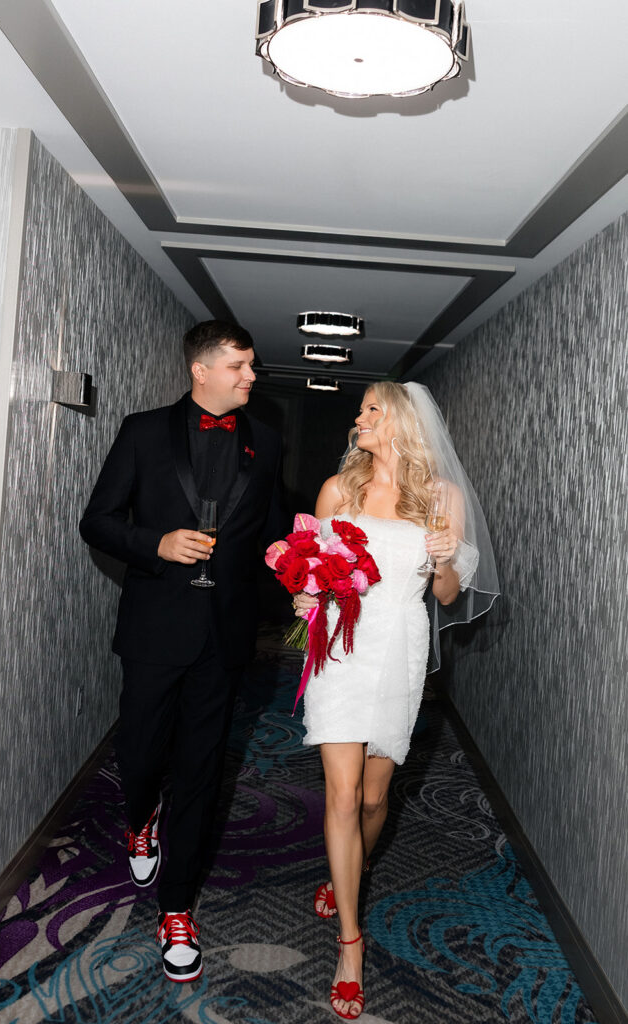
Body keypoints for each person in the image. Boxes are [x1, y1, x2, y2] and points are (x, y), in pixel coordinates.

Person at [79, 320, 285, 983]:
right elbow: (98, 519)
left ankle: (177, 910)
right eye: (240, 366)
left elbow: (272, 532)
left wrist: (304, 573)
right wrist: (156, 545)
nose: (251, 377)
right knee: (140, 752)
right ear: (202, 369)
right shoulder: (143, 432)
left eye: (251, 366)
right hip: (153, 627)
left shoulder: (268, 442)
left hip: (224, 634)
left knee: (201, 769)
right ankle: (141, 819)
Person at [293, 381, 499, 1020]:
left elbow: (443, 597)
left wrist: (442, 561)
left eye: (371, 409)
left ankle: (344, 874)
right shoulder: (338, 491)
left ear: (403, 421)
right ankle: (349, 946)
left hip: (398, 651)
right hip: (338, 649)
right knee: (343, 795)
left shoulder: (443, 499)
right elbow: (310, 573)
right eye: (359, 410)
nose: (359, 418)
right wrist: (302, 600)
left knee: (376, 799)